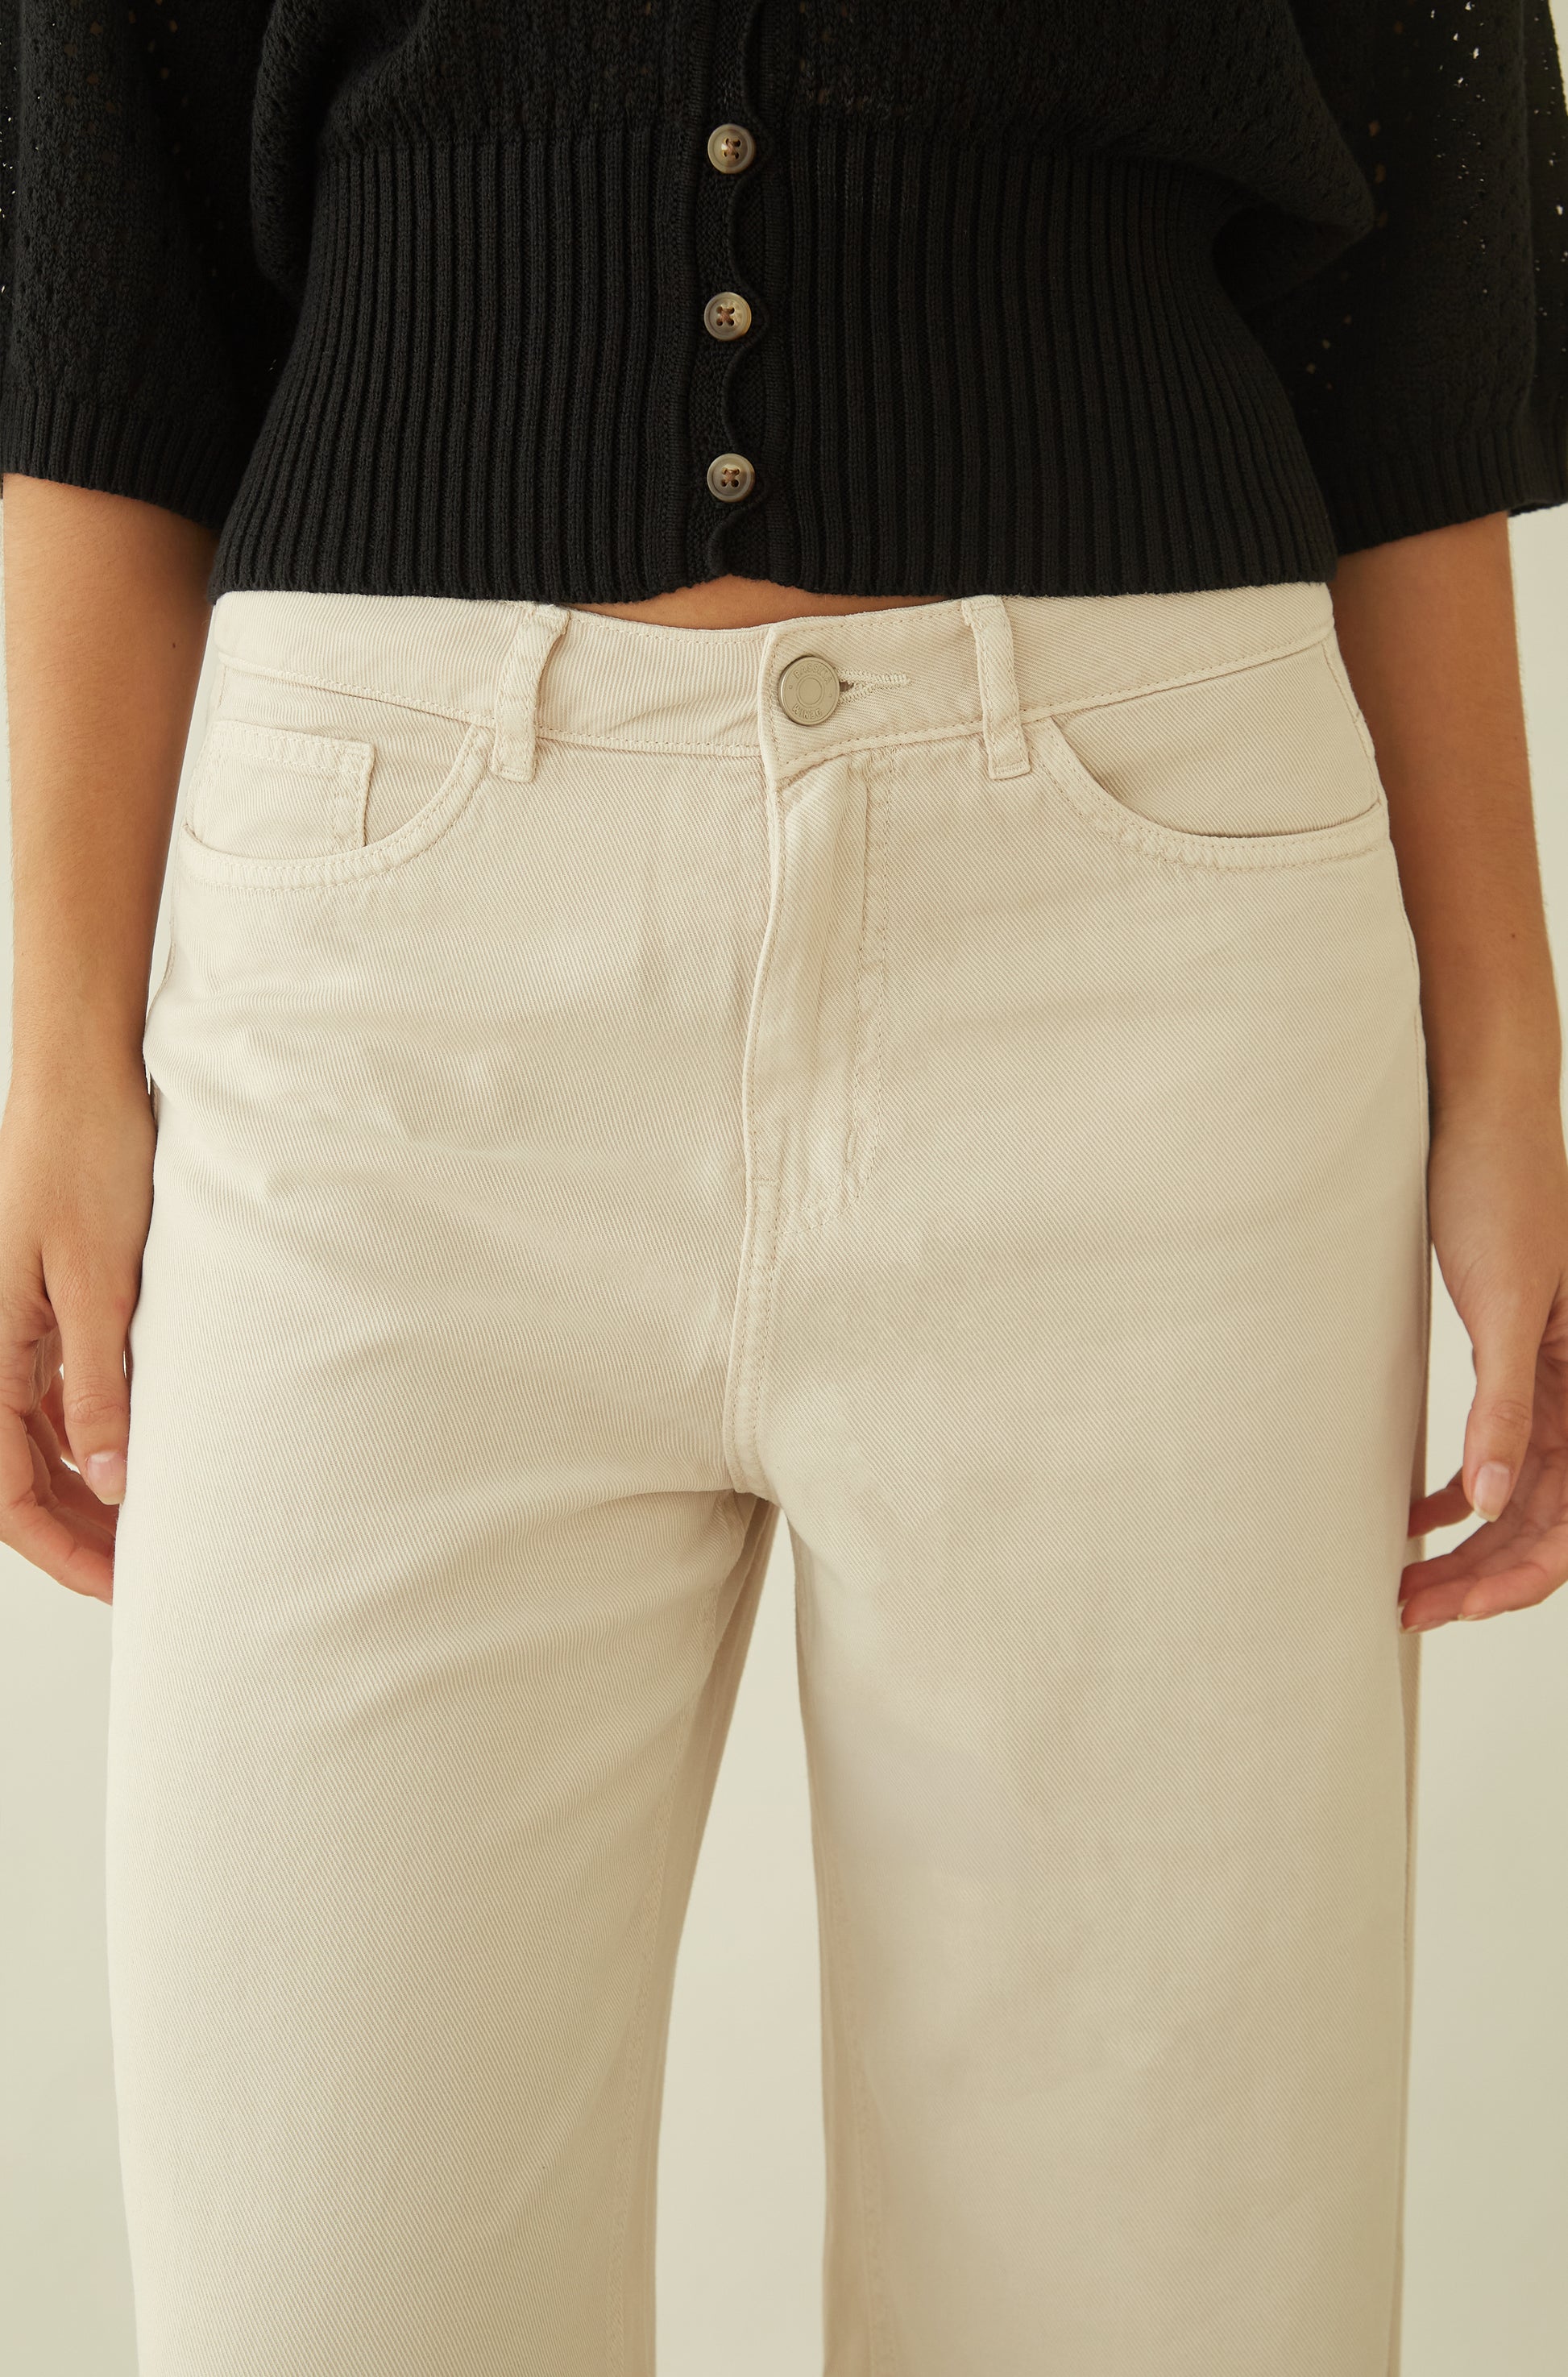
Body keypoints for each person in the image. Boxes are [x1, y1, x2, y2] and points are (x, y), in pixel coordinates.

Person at [2, 3, 1566, 2371]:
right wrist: (56, 1055)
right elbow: (108, 282)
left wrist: (1507, 1064)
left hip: (1151, 952)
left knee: (1162, 2289)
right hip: (386, 963)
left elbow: (1410, 323)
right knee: (325, 2288)